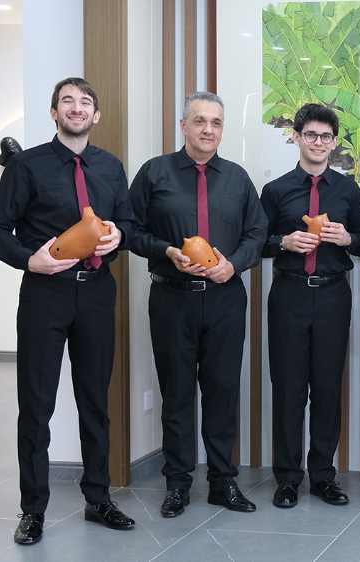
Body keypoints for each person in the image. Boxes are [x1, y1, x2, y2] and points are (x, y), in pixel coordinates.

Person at [0, 77, 137, 545]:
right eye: (67, 101)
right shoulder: (26, 166)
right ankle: (33, 510)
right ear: (54, 112)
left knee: (95, 402)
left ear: (96, 115)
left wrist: (119, 236)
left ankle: (98, 499)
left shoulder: (110, 166)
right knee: (36, 405)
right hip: (45, 295)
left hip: (97, 294)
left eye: (85, 102)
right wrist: (29, 259)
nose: (76, 107)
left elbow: (128, 223)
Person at [129, 91, 268, 518]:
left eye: (216, 122)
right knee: (177, 393)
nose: (209, 129)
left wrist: (234, 265)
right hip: (172, 298)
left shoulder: (238, 178)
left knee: (223, 391)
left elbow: (257, 233)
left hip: (225, 299)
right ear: (183, 125)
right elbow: (129, 229)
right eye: (200, 121)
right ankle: (177, 484)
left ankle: (223, 482)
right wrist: (166, 250)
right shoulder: (155, 173)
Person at [260, 103, 360, 508]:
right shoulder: (275, 190)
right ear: (297, 138)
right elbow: (257, 243)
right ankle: (288, 477)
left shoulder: (348, 190)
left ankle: (323, 475)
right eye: (310, 135)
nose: (318, 142)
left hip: (333, 295)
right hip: (288, 294)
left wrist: (348, 240)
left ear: (335, 142)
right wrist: (283, 242)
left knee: (327, 388)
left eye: (325, 136)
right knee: (288, 389)